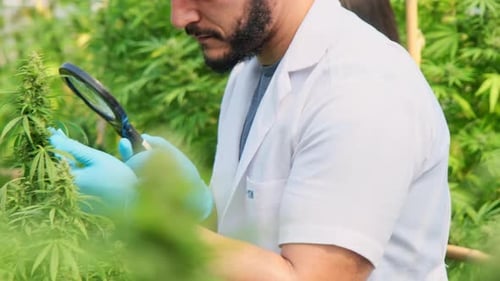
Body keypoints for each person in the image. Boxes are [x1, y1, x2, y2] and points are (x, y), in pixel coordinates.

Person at [50, 0, 452, 280]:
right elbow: (248, 246)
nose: (179, 16)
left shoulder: (362, 88)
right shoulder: (251, 70)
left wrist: (146, 218)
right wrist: (196, 208)